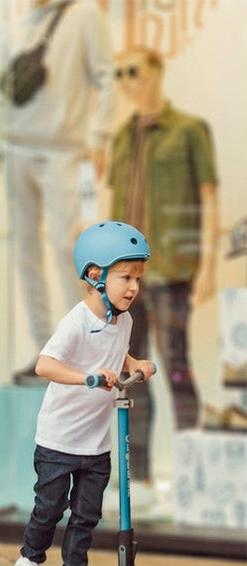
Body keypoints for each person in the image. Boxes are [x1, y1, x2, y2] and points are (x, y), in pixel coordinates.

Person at [0, 221, 155, 566]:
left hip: (96, 441)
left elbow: (114, 354)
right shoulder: (76, 321)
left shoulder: (124, 319)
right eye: (125, 277)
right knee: (49, 510)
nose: (133, 286)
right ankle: (27, 562)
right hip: (59, 439)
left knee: (86, 515)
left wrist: (135, 362)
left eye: (137, 277)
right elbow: (44, 366)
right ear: (94, 275)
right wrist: (86, 378)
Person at [0, 0, 116, 383]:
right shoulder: (17, 23)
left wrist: (100, 137)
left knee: (67, 248)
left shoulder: (84, 15)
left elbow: (107, 77)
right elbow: (1, 92)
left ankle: (87, 345)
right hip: (16, 148)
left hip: (64, 150)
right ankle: (47, 347)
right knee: (25, 253)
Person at [108, 46, 219, 487]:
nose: (127, 80)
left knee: (176, 365)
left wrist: (208, 264)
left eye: (133, 70)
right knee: (134, 370)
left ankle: (195, 475)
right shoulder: (121, 136)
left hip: (172, 270)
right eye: (119, 74)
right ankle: (140, 480)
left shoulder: (189, 130)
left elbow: (209, 198)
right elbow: (110, 206)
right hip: (125, 277)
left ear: (155, 71)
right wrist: (98, 267)